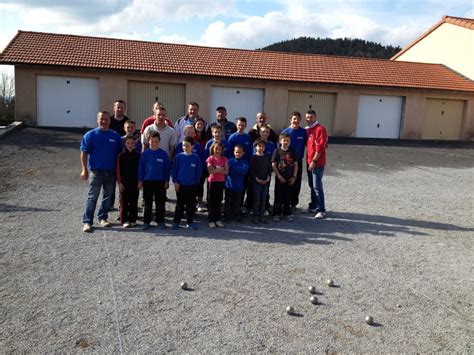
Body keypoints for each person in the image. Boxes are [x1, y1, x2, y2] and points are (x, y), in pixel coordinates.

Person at [80, 111, 122, 233]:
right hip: (96, 172)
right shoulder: (90, 135)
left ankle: (103, 218)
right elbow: (83, 153)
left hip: (111, 172)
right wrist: (84, 169)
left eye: (106, 119)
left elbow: (120, 153)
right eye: (101, 119)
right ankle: (87, 222)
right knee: (92, 197)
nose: (104, 121)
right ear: (97, 120)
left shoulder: (115, 136)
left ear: (110, 120)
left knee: (108, 197)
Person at [138, 132, 171, 230]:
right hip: (147, 181)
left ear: (159, 141)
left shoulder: (163, 154)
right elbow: (141, 168)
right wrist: (140, 180)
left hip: (160, 182)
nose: (154, 143)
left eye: (156, 141)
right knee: (147, 202)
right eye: (152, 141)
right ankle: (146, 221)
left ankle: (160, 221)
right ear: (149, 141)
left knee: (160, 202)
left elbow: (167, 169)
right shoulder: (145, 154)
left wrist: (167, 181)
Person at [172, 136, 203, 230]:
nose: (185, 147)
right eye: (183, 145)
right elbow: (174, 170)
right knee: (180, 204)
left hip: (191, 185)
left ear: (193, 146)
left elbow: (199, 171)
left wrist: (196, 182)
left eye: (187, 145)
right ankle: (176, 222)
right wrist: (175, 182)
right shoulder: (178, 157)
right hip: (180, 185)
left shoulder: (196, 158)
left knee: (190, 205)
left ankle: (190, 222)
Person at [282, 112, 307, 212]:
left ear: (300, 120)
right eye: (294, 119)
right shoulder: (286, 132)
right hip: (286, 162)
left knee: (296, 182)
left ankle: (293, 203)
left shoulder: (303, 132)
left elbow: (309, 144)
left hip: (298, 161)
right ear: (290, 120)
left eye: (297, 119)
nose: (295, 121)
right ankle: (284, 202)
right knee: (285, 181)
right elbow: (280, 148)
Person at [305, 109, 328, 219]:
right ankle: (314, 206)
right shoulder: (308, 130)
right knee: (312, 185)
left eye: (311, 117)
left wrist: (314, 161)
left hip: (317, 163)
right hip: (309, 162)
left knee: (317, 186)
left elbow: (320, 147)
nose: (309, 119)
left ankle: (321, 209)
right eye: (307, 117)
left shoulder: (320, 129)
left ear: (315, 117)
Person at [228, 117, 253, 209]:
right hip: (233, 167)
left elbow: (250, 152)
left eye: (242, 125)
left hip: (243, 167)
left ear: (245, 125)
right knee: (231, 188)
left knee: (242, 187)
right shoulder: (232, 137)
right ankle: (230, 208)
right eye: (239, 125)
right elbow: (229, 152)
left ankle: (239, 207)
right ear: (236, 125)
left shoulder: (248, 138)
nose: (241, 127)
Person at [272, 132, 297, 222]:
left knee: (288, 196)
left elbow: (295, 164)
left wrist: (294, 176)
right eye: (284, 140)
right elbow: (274, 164)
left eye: (287, 140)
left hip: (289, 178)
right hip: (280, 178)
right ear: (280, 141)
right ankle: (276, 213)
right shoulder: (277, 151)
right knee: (278, 196)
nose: (286, 142)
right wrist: (278, 176)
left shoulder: (292, 151)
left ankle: (287, 213)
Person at [117, 135, 140, 228]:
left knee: (134, 201)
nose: (130, 145)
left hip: (135, 182)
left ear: (135, 144)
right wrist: (119, 183)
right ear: (125, 144)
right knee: (124, 202)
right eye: (128, 143)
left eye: (132, 143)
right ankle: (124, 220)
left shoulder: (138, 155)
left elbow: (140, 169)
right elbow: (118, 170)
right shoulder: (121, 156)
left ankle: (133, 219)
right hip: (124, 182)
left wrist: (140, 181)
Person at [249, 139, 272, 224]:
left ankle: (261, 216)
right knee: (256, 199)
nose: (261, 148)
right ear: (255, 147)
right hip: (256, 182)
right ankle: (255, 215)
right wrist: (256, 178)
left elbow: (270, 168)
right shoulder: (253, 157)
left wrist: (268, 177)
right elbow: (251, 170)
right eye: (259, 146)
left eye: (263, 146)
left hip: (265, 181)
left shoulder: (267, 157)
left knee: (263, 199)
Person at [224, 145, 249, 222]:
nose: (238, 154)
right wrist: (238, 170)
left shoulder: (244, 161)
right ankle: (227, 216)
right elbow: (228, 171)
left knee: (237, 202)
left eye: (240, 152)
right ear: (234, 152)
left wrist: (234, 169)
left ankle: (237, 215)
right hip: (229, 186)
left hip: (239, 186)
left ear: (243, 153)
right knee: (228, 202)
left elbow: (244, 171)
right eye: (236, 152)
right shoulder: (230, 161)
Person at [206, 141, 228, 228]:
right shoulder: (210, 159)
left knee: (219, 201)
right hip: (212, 181)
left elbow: (226, 171)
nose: (218, 151)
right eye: (216, 149)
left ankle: (217, 219)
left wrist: (216, 169)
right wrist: (220, 169)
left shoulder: (224, 159)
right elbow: (210, 171)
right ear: (213, 149)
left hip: (220, 181)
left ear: (222, 150)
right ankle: (211, 219)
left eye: (219, 149)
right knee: (211, 201)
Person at [194, 118, 209, 212]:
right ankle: (193, 202)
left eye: (201, 125)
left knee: (200, 184)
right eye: (198, 124)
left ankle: (200, 202)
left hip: (203, 165)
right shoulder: (192, 137)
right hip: (193, 165)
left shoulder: (207, 137)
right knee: (193, 184)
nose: (200, 126)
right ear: (195, 126)